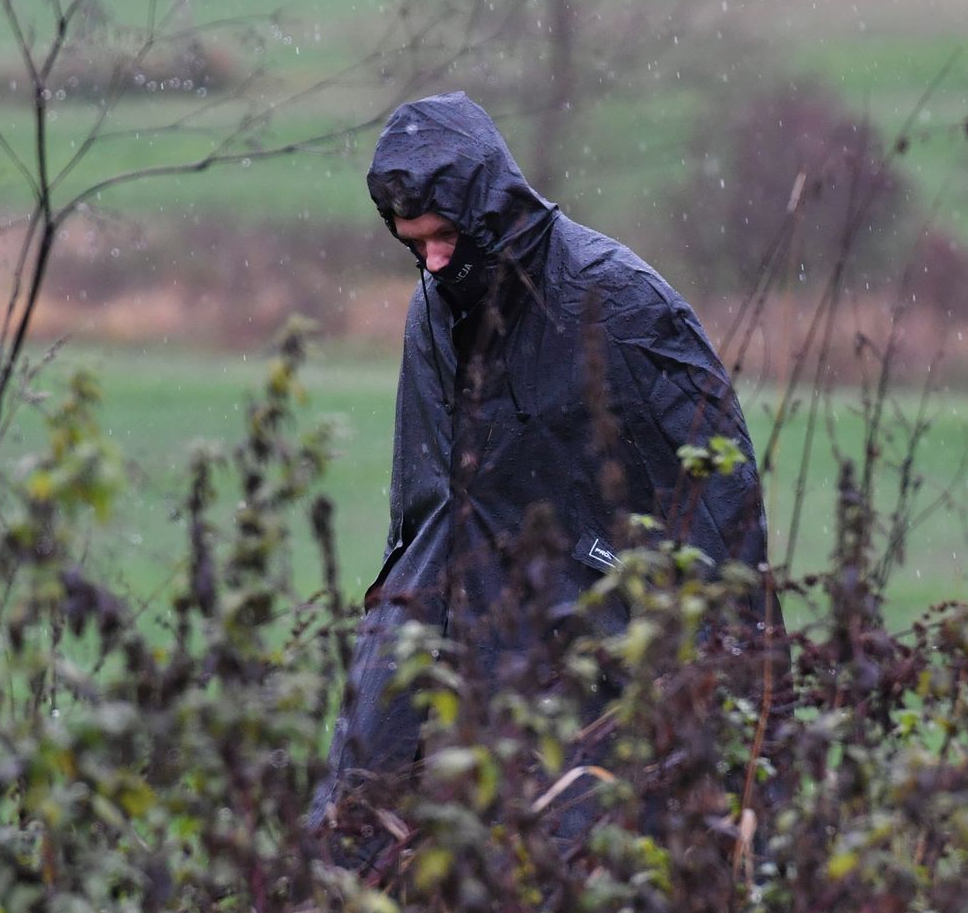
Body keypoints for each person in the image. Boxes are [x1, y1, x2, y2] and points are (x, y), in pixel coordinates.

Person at [309, 90, 778, 866]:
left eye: (444, 236)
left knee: (570, 875)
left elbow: (717, 502)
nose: (429, 259)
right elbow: (425, 502)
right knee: (357, 835)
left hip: (586, 640)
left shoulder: (619, 301)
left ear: (489, 211)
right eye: (412, 240)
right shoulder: (434, 310)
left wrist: (724, 675)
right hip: (455, 621)